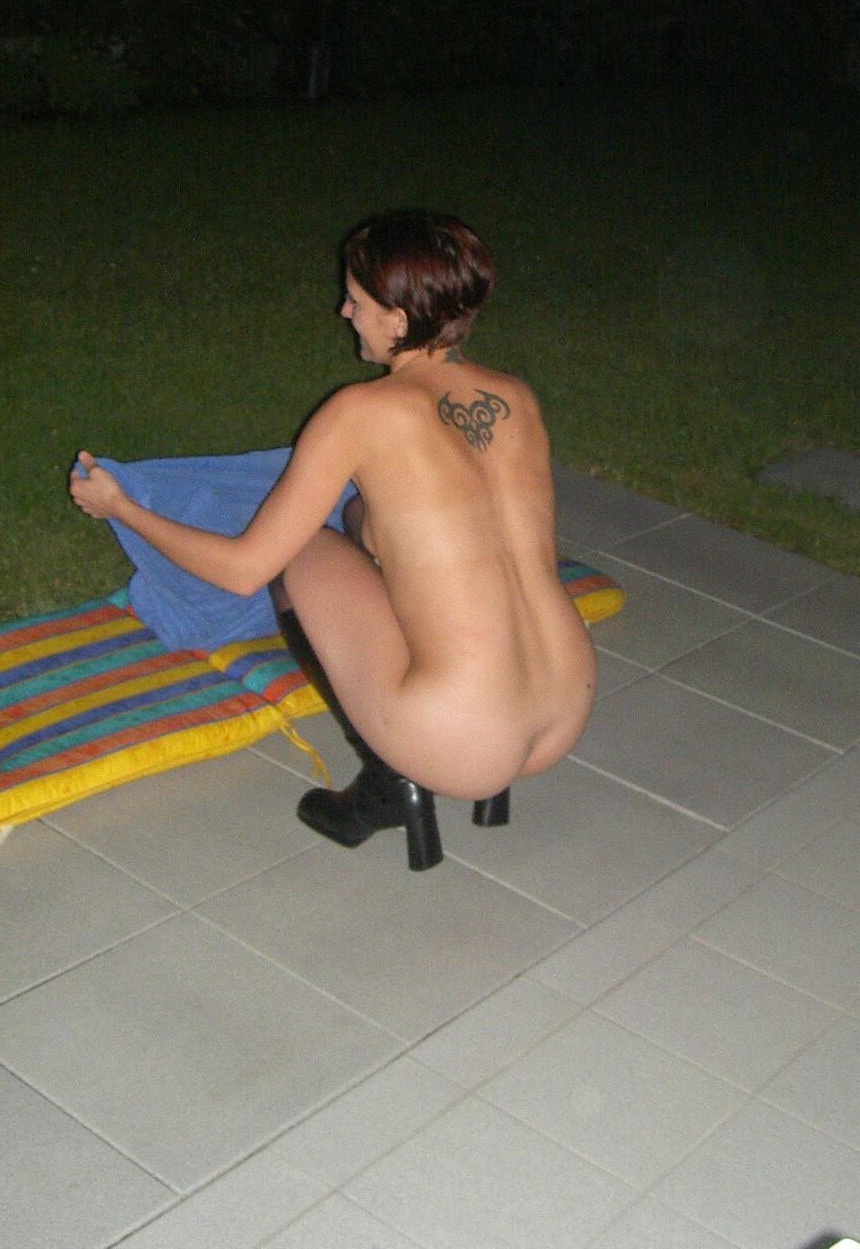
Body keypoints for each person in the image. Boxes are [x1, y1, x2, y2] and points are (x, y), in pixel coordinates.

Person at [69, 209, 596, 867]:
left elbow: (242, 569)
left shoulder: (359, 413)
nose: (344, 312)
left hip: (461, 735)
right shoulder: (516, 397)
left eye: (355, 300)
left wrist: (120, 507)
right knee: (361, 519)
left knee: (303, 549)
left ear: (398, 320)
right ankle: (482, 782)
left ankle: (388, 783)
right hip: (565, 705)